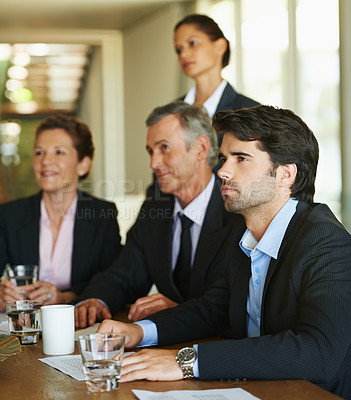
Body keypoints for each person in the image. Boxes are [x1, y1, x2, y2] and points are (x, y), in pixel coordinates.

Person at [97, 105, 351, 400]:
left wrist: (187, 361)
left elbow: (318, 352)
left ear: (285, 175)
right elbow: (212, 310)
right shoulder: (245, 234)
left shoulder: (326, 242)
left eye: (241, 158)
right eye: (223, 158)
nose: (222, 171)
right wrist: (140, 332)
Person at [74, 101, 245, 328]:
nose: (154, 163)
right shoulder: (155, 207)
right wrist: (95, 299)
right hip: (163, 348)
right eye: (150, 151)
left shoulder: (238, 210)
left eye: (164, 148)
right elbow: (125, 273)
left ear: (201, 148)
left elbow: (233, 306)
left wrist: (179, 313)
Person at [0, 114, 123, 310]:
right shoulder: (8, 215)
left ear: (83, 164)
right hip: (20, 325)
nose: (46, 161)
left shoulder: (103, 214)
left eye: (59, 152)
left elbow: (113, 279)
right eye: (39, 153)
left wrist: (65, 297)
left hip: (77, 324)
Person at [174, 14, 259, 147]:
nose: (184, 54)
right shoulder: (172, 112)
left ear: (220, 46)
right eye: (179, 50)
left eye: (193, 43)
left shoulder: (250, 111)